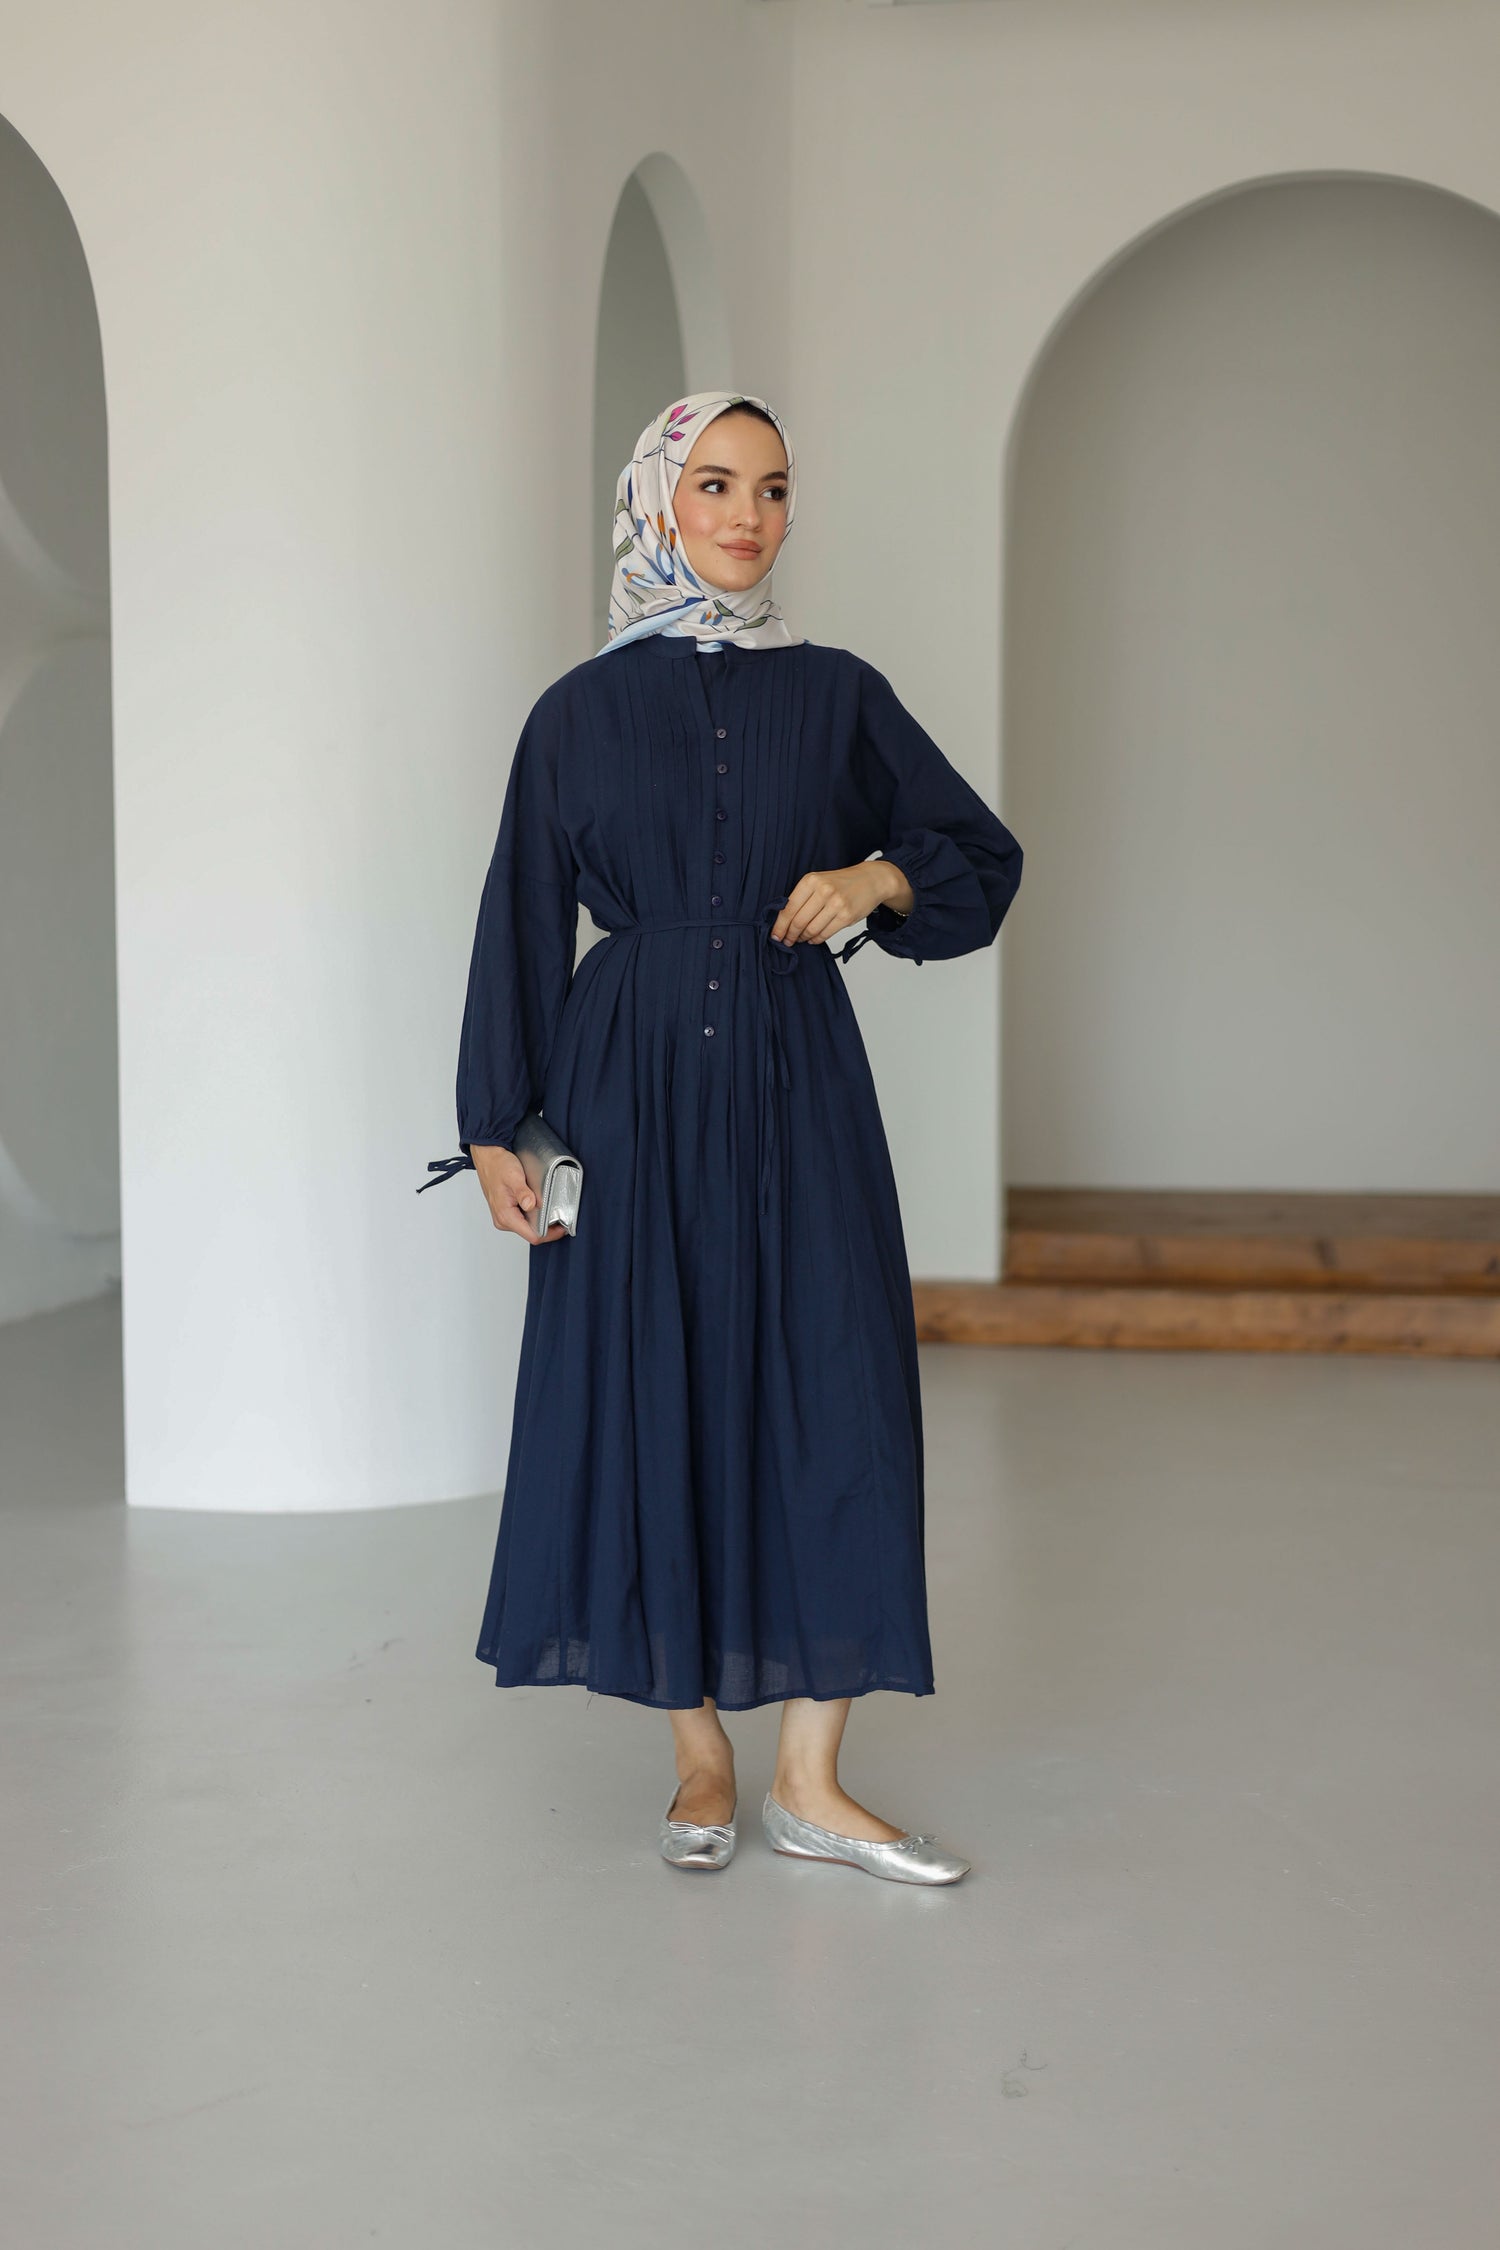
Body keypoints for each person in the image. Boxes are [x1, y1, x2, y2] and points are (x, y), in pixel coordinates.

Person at [420, 391, 1022, 1884]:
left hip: (795, 1076)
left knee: (837, 1382)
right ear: (656, 501)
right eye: (714, 483)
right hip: (620, 1090)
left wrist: (876, 878)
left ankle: (813, 1779)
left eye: (773, 488)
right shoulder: (574, 714)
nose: (748, 515)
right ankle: (698, 1752)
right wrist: (493, 1123)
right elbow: (518, 918)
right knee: (646, 1388)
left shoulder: (839, 694)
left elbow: (975, 853)